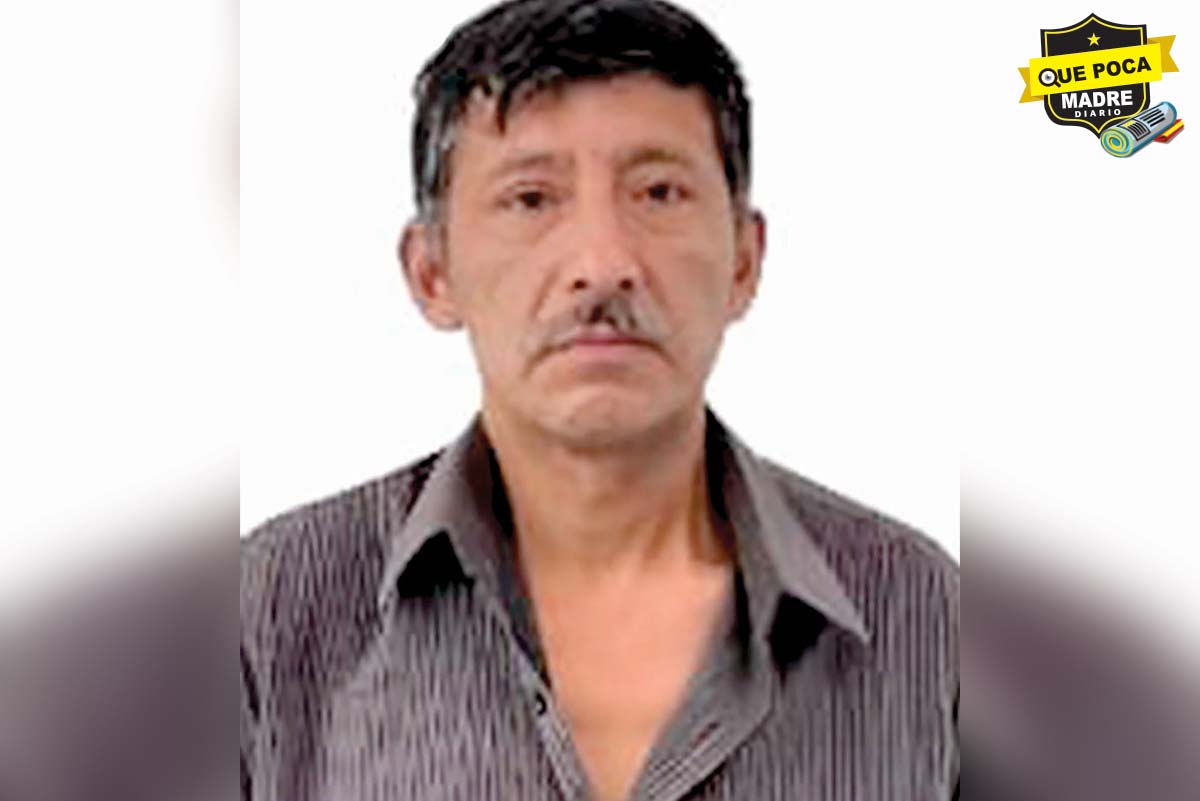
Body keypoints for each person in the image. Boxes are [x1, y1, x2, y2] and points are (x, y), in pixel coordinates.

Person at [240, 1, 958, 799]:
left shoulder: (922, 613)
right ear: (432, 272)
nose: (604, 262)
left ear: (744, 261)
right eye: (531, 198)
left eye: (659, 192)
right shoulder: (268, 609)